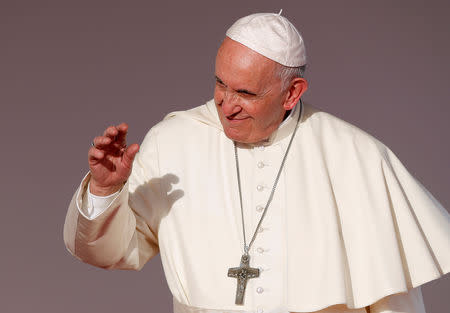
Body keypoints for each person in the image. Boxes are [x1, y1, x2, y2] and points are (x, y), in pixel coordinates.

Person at [63, 11, 449, 313]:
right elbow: (111, 252)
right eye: (220, 84)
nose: (226, 105)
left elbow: (393, 296)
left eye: (245, 93)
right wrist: (105, 190)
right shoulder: (173, 140)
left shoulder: (356, 156)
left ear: (291, 93)